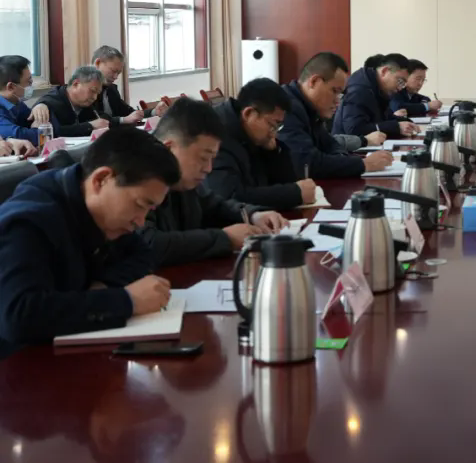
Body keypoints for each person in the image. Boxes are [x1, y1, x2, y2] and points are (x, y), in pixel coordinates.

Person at [0, 127, 180, 356]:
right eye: (139, 205)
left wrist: (102, 287)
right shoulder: (29, 221)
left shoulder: (99, 209)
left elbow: (143, 254)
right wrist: (127, 301)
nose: (140, 221)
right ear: (101, 179)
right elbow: (19, 316)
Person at [141, 98, 288, 268]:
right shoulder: (136, 177)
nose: (208, 168)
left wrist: (254, 215)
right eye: (203, 158)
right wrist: (225, 238)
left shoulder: (183, 181)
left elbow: (215, 206)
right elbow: (149, 244)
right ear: (169, 149)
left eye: (212, 159)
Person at [279, 52, 395, 178]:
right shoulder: (285, 108)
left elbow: (331, 145)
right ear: (314, 81)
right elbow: (307, 163)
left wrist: (341, 160)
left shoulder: (310, 108)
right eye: (335, 91)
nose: (337, 101)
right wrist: (364, 164)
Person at [205, 78, 316, 210]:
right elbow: (229, 197)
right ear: (249, 114)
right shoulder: (216, 135)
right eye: (272, 124)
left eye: (278, 126)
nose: (274, 132)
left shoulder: (253, 134)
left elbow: (286, 182)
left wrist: (273, 153)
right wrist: (295, 194)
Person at [333, 53, 419, 139]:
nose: (400, 88)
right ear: (384, 71)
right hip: (348, 146)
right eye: (400, 81)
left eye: (403, 84)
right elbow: (354, 130)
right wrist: (396, 127)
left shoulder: (378, 88)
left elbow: (386, 117)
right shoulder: (359, 91)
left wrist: (407, 122)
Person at [33, 66, 111, 137]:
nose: (95, 97)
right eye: (93, 91)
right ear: (75, 84)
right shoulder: (50, 103)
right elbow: (54, 132)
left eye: (97, 93)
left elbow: (101, 116)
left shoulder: (85, 102)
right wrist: (89, 126)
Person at [0, 55, 44, 152]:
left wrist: (41, 106)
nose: (31, 86)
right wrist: (39, 130)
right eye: (29, 82)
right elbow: (19, 135)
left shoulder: (17, 103)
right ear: (11, 87)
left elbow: (37, 121)